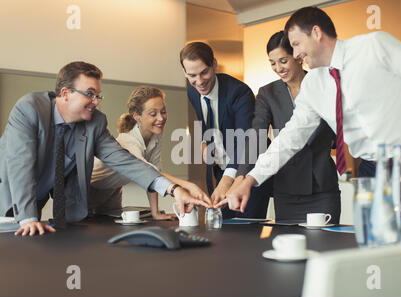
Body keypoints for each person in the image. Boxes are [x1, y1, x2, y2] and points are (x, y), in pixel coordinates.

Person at [224, 6, 401, 213]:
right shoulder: (313, 85)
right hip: (371, 173)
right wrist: (250, 180)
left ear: (316, 32)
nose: (295, 55)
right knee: (376, 249)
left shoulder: (374, 46)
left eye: (296, 44)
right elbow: (290, 138)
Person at [0, 61, 209, 236]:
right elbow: (21, 164)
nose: (95, 102)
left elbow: (124, 160)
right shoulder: (30, 109)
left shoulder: (95, 122)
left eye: (98, 95)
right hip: (7, 195)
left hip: (37, 201)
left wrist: (174, 189)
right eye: (90, 94)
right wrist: (27, 217)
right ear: (65, 93)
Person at [222, 31, 340, 222]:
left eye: (283, 61)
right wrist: (241, 176)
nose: (278, 68)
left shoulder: (323, 84)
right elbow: (257, 137)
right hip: (287, 188)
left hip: (322, 187)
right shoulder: (268, 94)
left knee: (325, 247)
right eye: (272, 63)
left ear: (298, 56)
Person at [180, 42, 272, 219]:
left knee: (246, 233)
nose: (199, 81)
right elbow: (206, 122)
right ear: (185, 72)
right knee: (223, 228)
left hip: (247, 173)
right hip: (223, 170)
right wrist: (205, 143)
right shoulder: (193, 92)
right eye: (192, 75)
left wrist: (226, 182)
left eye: (204, 72)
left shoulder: (239, 92)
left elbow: (247, 141)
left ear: (214, 65)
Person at [89, 85, 210, 219]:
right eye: (153, 114)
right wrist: (188, 186)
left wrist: (155, 213)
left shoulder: (155, 136)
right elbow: (147, 172)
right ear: (137, 116)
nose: (161, 118)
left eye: (163, 111)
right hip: (88, 191)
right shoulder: (129, 141)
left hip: (111, 193)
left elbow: (154, 173)